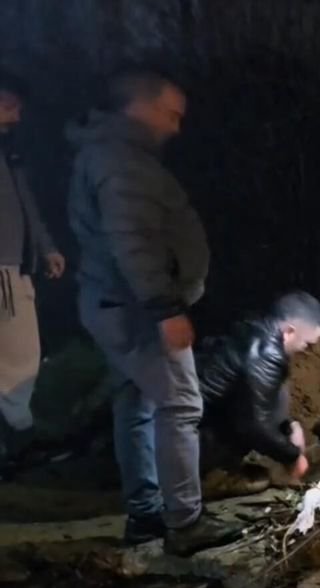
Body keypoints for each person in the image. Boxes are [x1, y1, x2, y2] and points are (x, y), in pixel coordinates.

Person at [67, 68, 240, 556]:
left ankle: (145, 514)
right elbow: (134, 241)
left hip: (114, 302)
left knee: (137, 403)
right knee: (181, 404)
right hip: (136, 309)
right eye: (171, 115)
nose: (176, 127)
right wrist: (165, 308)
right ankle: (185, 522)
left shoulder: (107, 153)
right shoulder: (121, 163)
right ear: (140, 107)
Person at [197, 291, 320, 495]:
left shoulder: (255, 329)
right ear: (289, 331)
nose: (308, 350)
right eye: (307, 344)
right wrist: (293, 456)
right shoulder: (265, 355)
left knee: (276, 395)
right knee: (260, 477)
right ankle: (210, 477)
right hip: (192, 433)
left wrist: (289, 426)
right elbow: (253, 425)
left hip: (196, 418)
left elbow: (264, 400)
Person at [0, 69, 66, 474]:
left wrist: (45, 247)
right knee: (18, 357)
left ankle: (17, 440)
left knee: (18, 354)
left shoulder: (10, 152)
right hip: (4, 268)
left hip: (14, 265)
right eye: (10, 106)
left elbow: (25, 203)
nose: (17, 115)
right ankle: (19, 438)